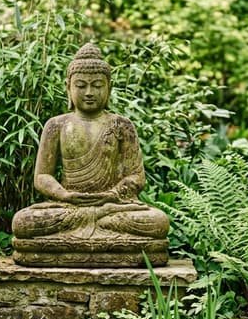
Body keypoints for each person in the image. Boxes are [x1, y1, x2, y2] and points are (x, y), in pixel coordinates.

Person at [11, 43, 169, 243]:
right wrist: (64, 195)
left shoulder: (122, 125)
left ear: (109, 88)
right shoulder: (56, 125)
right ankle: (101, 234)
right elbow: (42, 176)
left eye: (97, 85)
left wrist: (111, 195)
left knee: (158, 222)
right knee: (23, 222)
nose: (89, 92)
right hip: (69, 207)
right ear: (68, 87)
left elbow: (137, 177)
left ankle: (85, 233)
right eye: (81, 85)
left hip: (111, 207)